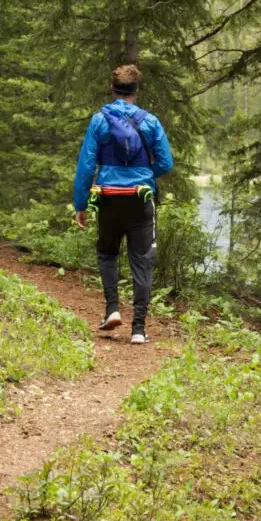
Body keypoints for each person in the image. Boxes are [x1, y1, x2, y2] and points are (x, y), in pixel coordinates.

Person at [72, 64, 174, 343]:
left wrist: (81, 203)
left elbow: (86, 164)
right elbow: (166, 162)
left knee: (107, 253)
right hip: (140, 197)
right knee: (142, 259)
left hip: (107, 196)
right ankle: (139, 329)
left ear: (113, 88)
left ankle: (112, 310)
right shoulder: (150, 121)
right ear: (136, 90)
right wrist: (144, 176)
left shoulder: (99, 120)